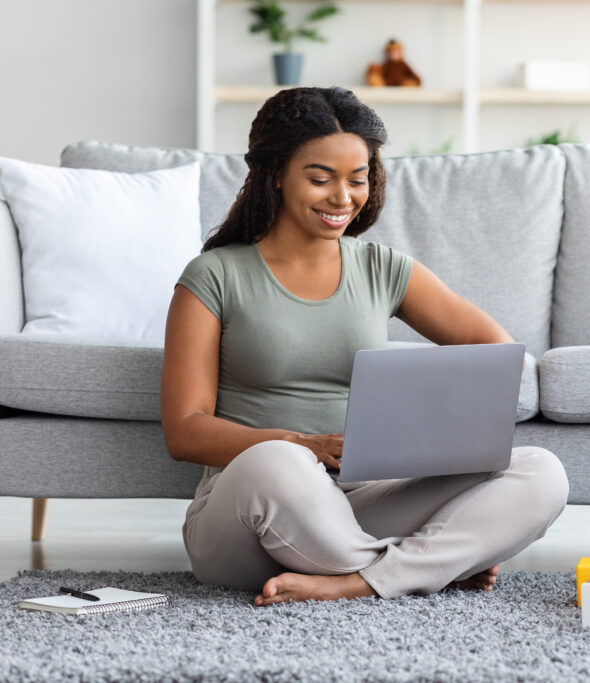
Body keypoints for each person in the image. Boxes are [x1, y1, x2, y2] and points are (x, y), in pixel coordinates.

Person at [160, 87, 568, 606]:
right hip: (250, 513)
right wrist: (302, 445)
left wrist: (422, 429)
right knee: (276, 462)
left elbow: (495, 351)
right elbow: (184, 430)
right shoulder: (213, 275)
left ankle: (353, 582)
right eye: (320, 178)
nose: (342, 198)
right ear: (276, 173)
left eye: (357, 179)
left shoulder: (380, 266)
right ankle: (423, 569)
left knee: (540, 472)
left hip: (358, 503)